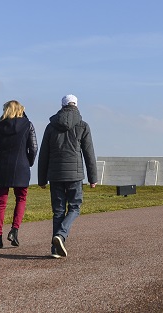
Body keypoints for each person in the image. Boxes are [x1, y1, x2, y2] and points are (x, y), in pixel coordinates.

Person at [37, 94, 98, 259]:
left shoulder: (51, 127)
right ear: (76, 105)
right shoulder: (83, 126)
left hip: (55, 175)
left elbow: (44, 154)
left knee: (58, 211)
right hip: (75, 174)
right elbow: (89, 153)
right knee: (75, 207)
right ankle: (61, 235)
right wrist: (93, 178)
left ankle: (54, 249)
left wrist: (41, 179)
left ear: (62, 106)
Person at [0, 100, 37, 248]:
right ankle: (14, 230)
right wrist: (28, 162)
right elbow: (33, 148)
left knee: (1, 202)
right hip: (21, 166)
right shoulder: (28, 125)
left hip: (2, 167)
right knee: (21, 199)